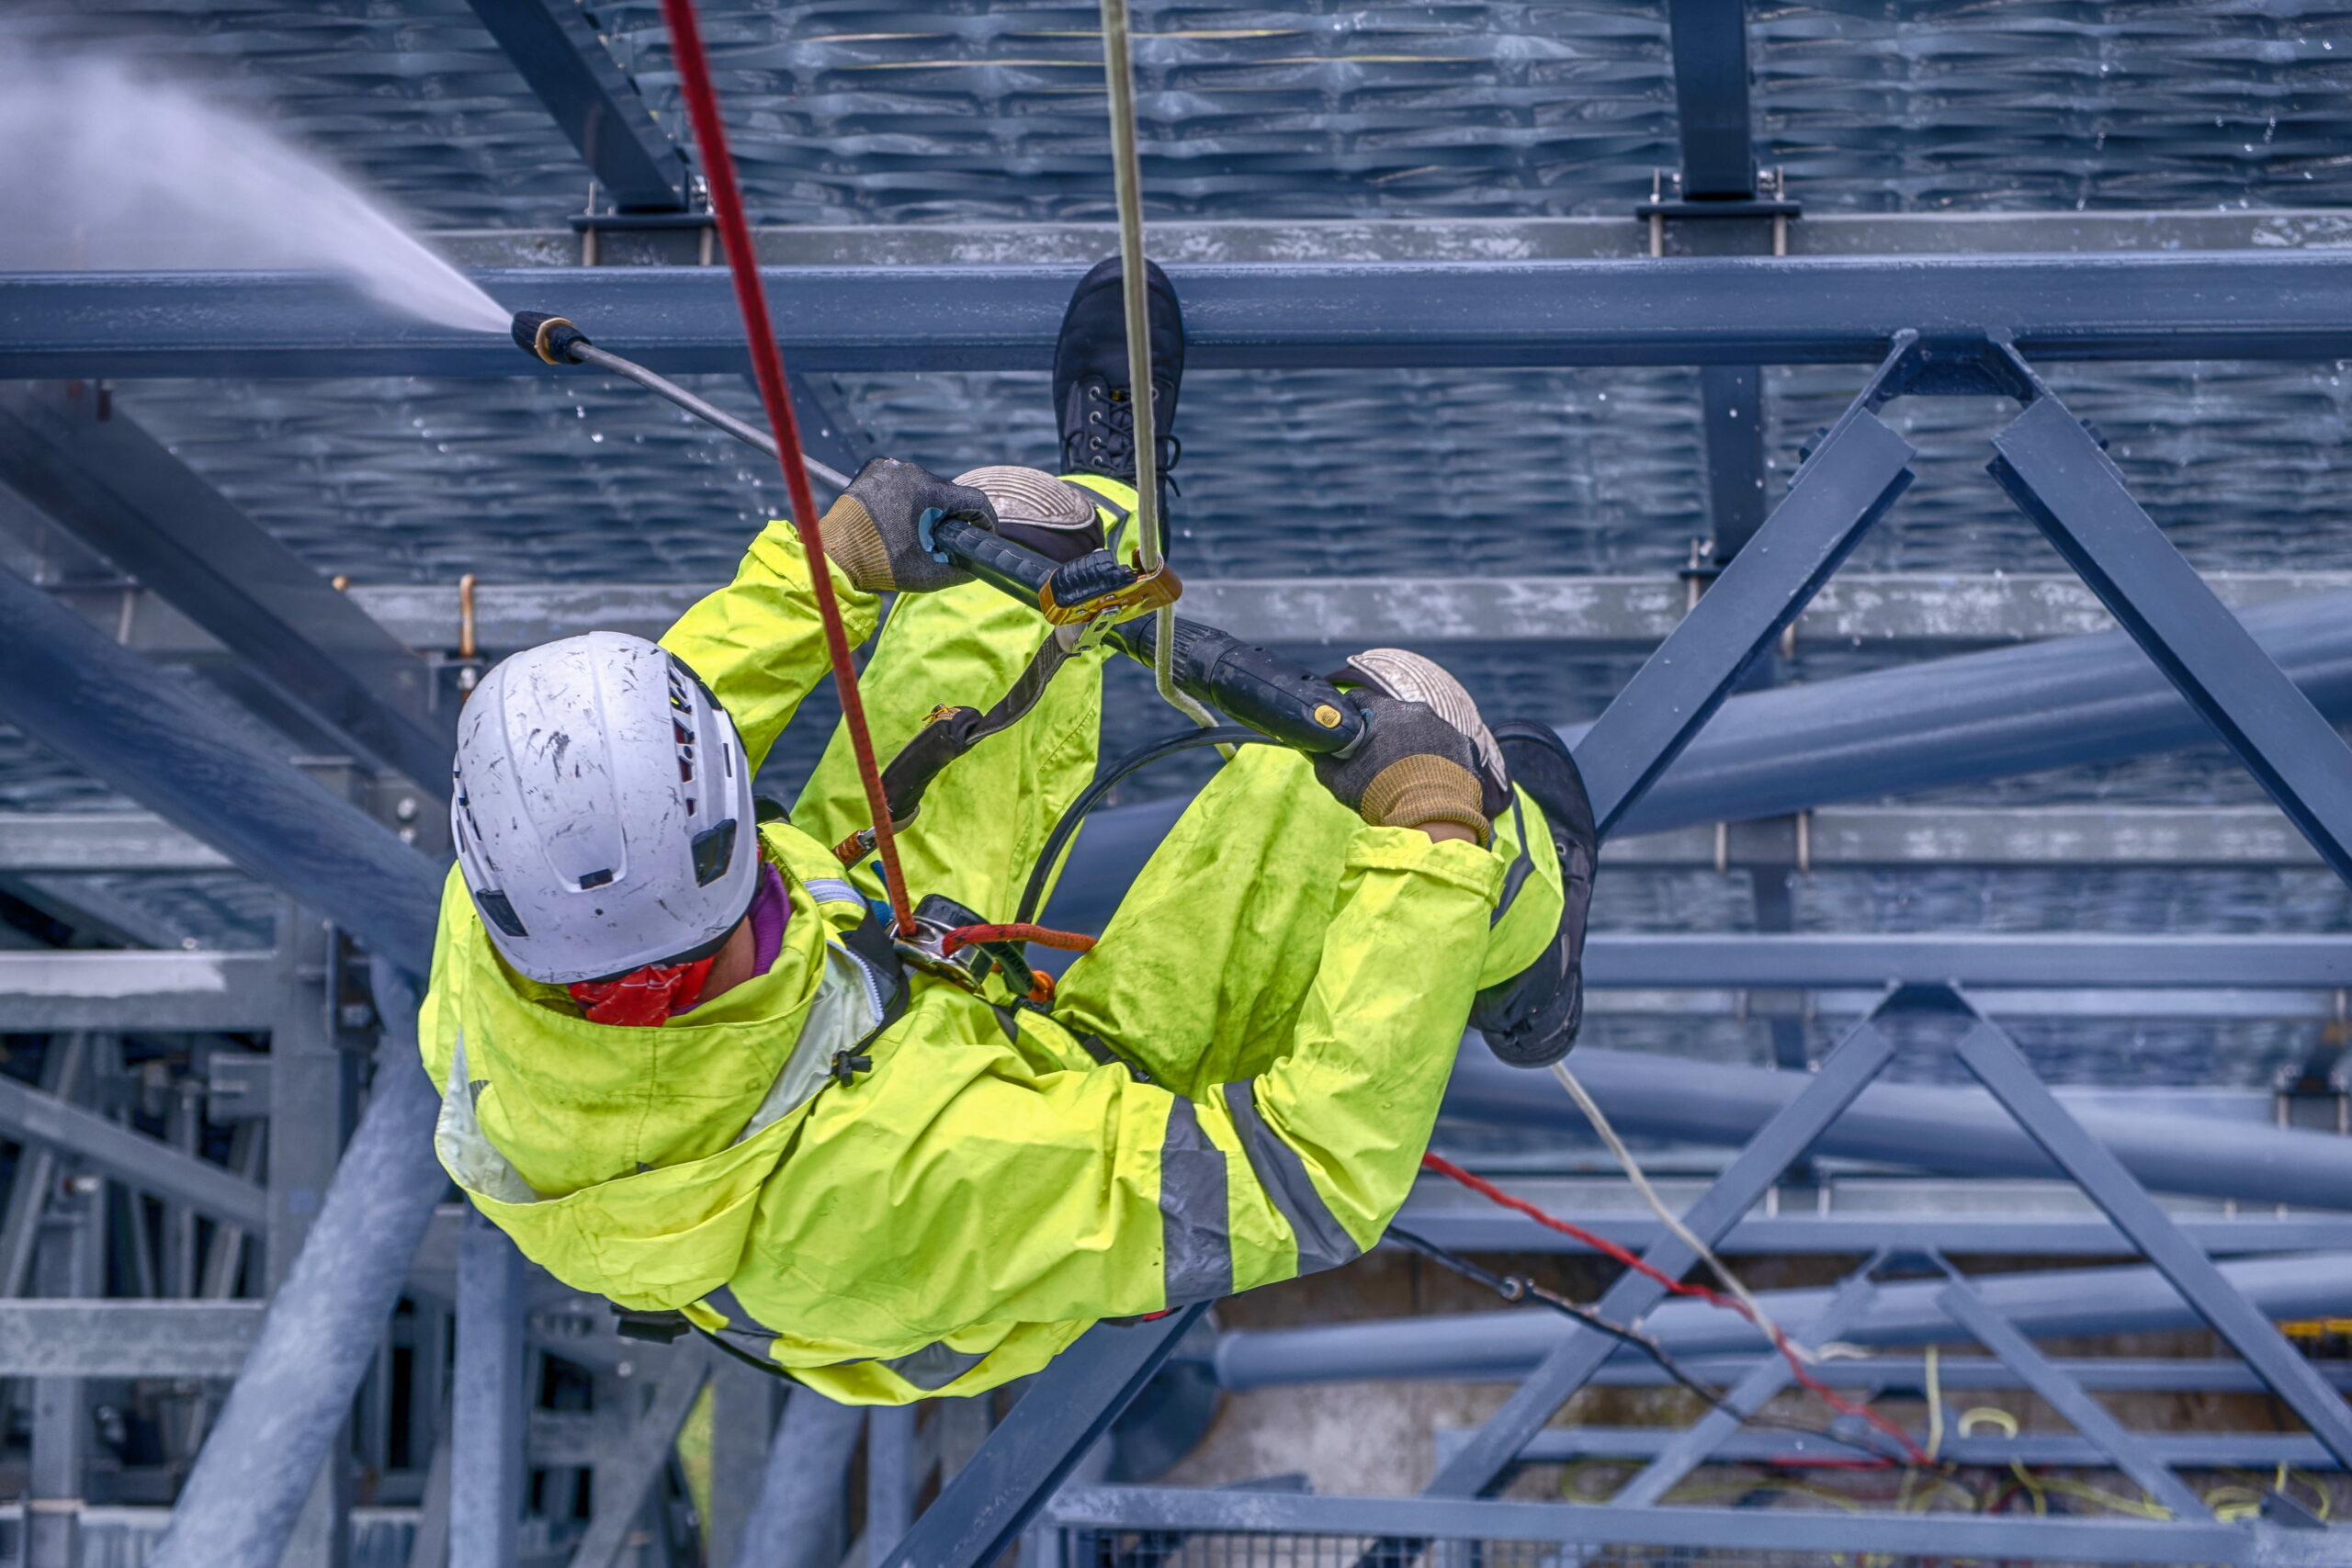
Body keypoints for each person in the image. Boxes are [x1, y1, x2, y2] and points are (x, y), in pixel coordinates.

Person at [420, 258, 1598, 1404]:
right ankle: (1527, 961)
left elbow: (667, 722)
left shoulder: (523, 906)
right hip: (985, 1158)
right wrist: (1432, 837)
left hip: (865, 986)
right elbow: (1305, 1189)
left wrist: (833, 567)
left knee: (1011, 539)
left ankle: (1107, 516)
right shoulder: (917, 1180)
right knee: (1413, 726)